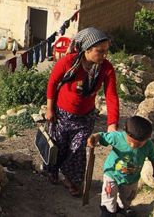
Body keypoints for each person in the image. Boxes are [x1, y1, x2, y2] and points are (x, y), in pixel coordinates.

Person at [44, 27, 119, 196]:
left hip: (85, 117)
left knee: (77, 149)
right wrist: (49, 109)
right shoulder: (68, 63)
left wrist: (112, 124)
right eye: (100, 51)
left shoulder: (106, 69)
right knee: (59, 146)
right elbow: (52, 83)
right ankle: (53, 171)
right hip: (62, 113)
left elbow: (111, 96)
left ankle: (71, 180)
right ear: (87, 49)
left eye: (106, 51)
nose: (105, 55)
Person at [87, 116, 154, 217]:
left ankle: (123, 208)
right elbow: (101, 136)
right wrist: (94, 137)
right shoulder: (117, 137)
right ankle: (108, 212)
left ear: (147, 138)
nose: (132, 146)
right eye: (130, 142)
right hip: (112, 174)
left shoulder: (149, 146)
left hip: (131, 178)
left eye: (138, 145)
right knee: (109, 195)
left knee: (127, 197)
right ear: (125, 132)